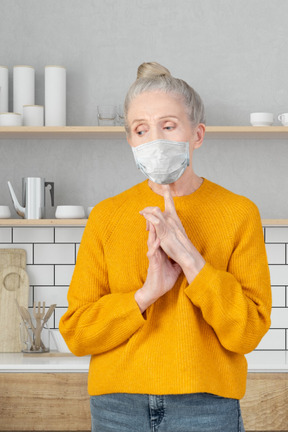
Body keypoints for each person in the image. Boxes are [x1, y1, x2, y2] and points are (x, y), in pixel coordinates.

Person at [59, 62, 271, 432]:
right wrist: (147, 294)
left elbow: (248, 332)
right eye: (141, 130)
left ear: (198, 134)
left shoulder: (239, 213)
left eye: (168, 126)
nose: (154, 139)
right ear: (131, 140)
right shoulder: (107, 216)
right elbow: (77, 333)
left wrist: (191, 260)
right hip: (117, 406)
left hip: (207, 406)